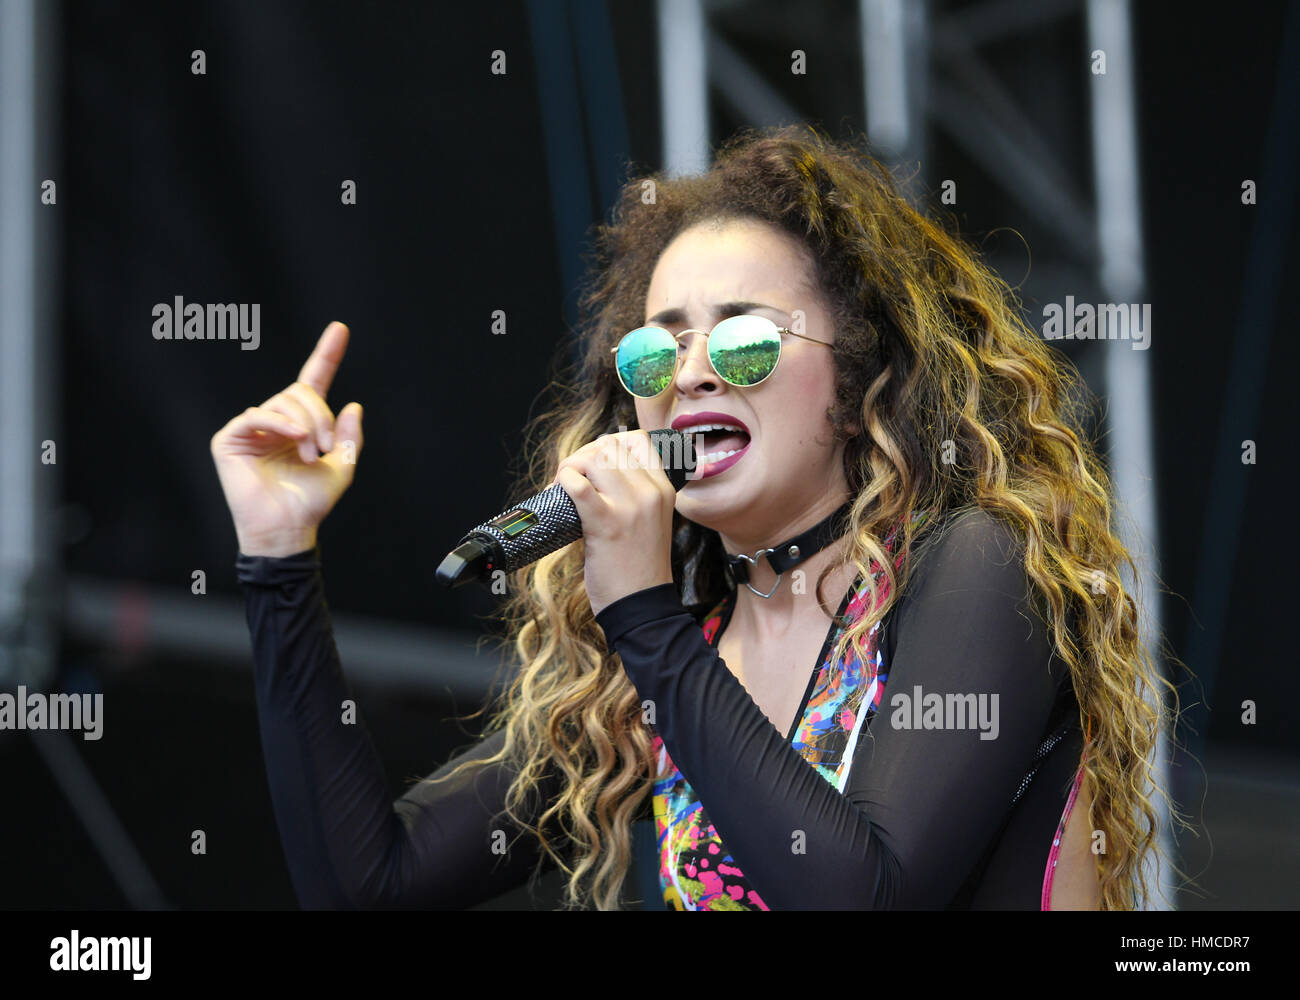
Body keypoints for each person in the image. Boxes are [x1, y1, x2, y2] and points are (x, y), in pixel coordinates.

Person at [211, 124, 1177, 911]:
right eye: (654, 354)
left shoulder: (973, 567)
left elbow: (868, 894)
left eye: (748, 341)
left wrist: (643, 614)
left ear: (860, 376)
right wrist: (275, 558)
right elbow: (368, 885)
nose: (696, 373)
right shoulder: (678, 659)